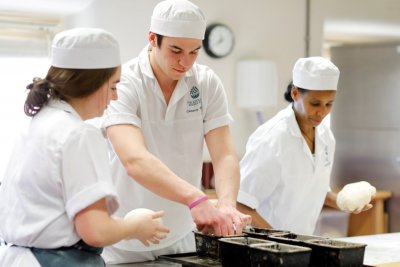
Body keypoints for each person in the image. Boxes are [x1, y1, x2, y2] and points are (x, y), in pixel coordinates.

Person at [0, 28, 169, 267]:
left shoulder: (38, 124)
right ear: (90, 84)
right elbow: (95, 230)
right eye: (112, 87)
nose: (115, 97)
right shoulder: (78, 134)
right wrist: (135, 226)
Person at [101, 0, 251, 264]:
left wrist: (226, 204)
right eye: (176, 50)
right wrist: (197, 199)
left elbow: (225, 154)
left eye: (194, 52)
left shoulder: (205, 83)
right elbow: (134, 160)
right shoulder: (123, 82)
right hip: (123, 236)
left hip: (181, 236)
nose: (185, 62)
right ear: (152, 39)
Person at [236, 57, 374, 235]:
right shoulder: (271, 139)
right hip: (262, 247)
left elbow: (315, 190)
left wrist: (342, 201)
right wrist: (280, 240)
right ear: (295, 94)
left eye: (329, 104)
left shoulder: (326, 138)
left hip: (299, 246)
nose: (322, 112)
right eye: (315, 103)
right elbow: (241, 203)